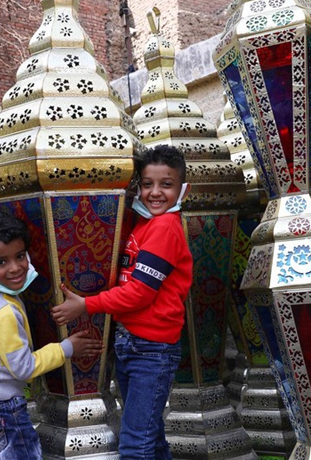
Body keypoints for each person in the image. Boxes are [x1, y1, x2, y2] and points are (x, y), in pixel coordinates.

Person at [51, 144, 193, 459]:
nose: (155, 193)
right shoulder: (145, 224)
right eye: (147, 184)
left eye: (166, 185)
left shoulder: (165, 229)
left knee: (134, 444)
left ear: (183, 189)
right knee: (150, 438)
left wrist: (85, 305)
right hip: (132, 345)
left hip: (152, 351)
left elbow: (140, 292)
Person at [0, 212, 102, 459]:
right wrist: (66, 347)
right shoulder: (2, 311)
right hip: (0, 406)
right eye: (1, 262)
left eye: (20, 256)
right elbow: (23, 368)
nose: (15, 268)